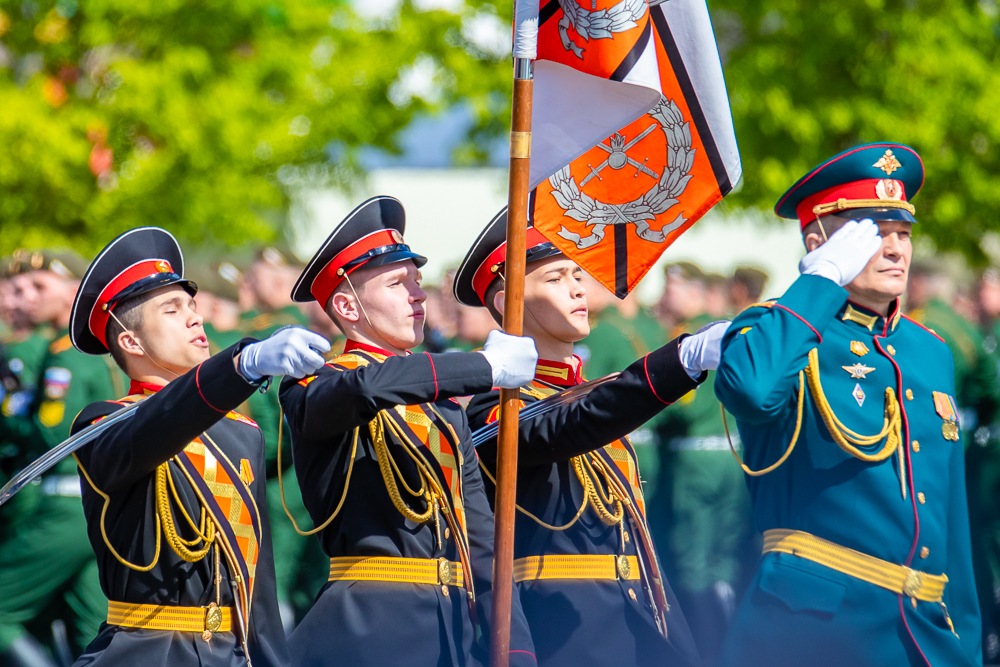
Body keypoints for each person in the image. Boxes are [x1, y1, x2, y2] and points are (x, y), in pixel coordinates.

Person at [715, 143, 981, 666]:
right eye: (873, 234)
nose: (896, 250)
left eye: (903, 234)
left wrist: (964, 641)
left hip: (922, 636)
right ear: (818, 241)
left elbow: (951, 514)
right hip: (814, 631)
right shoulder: (777, 329)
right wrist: (818, 282)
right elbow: (750, 389)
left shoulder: (930, 350)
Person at [453, 208, 729, 667]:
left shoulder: (580, 393)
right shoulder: (494, 406)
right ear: (508, 300)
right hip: (562, 629)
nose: (580, 288)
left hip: (634, 617)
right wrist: (679, 362)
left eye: (579, 273)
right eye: (557, 278)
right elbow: (566, 426)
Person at [278, 196, 538, 667]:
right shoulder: (314, 384)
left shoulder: (440, 405)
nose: (418, 296)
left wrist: (515, 645)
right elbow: (367, 386)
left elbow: (480, 537)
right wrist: (482, 366)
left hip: (452, 629)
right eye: (399, 284)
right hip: (371, 628)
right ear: (346, 305)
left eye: (417, 282)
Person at [65, 226, 326, 666]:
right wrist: (241, 365)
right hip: (146, 650)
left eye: (192, 305)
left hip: (229, 652)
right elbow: (160, 423)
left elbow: (255, 587)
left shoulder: (242, 430)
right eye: (172, 310)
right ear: (131, 341)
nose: (194, 317)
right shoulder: (103, 422)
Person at [0, 250, 120, 667]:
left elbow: (51, 433)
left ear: (72, 294)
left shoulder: (66, 354)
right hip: (88, 507)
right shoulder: (69, 349)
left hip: (65, 505)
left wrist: (13, 406)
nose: (26, 297)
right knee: (90, 627)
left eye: (39, 287)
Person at [650, 262, 751, 667]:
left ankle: (708, 651)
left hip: (696, 462)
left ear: (692, 291)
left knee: (692, 563)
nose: (666, 295)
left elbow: (679, 407)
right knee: (721, 562)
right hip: (730, 455)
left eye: (672, 287)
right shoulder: (726, 329)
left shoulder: (689, 337)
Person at [236, 245, 321, 627]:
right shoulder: (265, 328)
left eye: (274, 279)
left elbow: (279, 426)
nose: (258, 287)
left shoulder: (281, 330)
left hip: (280, 481)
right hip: (285, 479)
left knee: (276, 587)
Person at [907, 260, 999, 436]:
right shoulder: (958, 320)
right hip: (964, 425)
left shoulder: (920, 321)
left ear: (917, 282)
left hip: (931, 428)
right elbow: (988, 375)